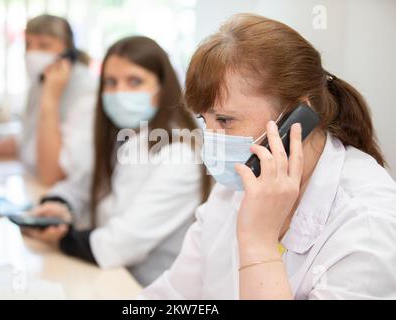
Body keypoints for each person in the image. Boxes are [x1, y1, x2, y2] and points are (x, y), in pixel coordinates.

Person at [140, 14, 396, 299]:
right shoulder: (237, 187)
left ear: (298, 119)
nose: (211, 141)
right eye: (205, 120)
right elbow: (173, 295)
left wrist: (258, 244)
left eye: (225, 120)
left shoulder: (368, 224)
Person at [22, 36, 212, 286]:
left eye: (135, 81)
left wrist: (60, 239)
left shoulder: (182, 154)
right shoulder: (126, 136)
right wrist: (59, 205)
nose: (120, 91)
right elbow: (84, 185)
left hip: (149, 289)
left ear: (163, 87)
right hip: (112, 278)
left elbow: (121, 244)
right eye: (110, 82)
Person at [0, 14, 97, 186]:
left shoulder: (86, 91)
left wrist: (50, 99)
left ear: (68, 51)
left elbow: (51, 174)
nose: (32, 52)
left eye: (44, 45)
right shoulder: (40, 82)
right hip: (31, 182)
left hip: (57, 191)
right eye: (28, 45)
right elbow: (25, 141)